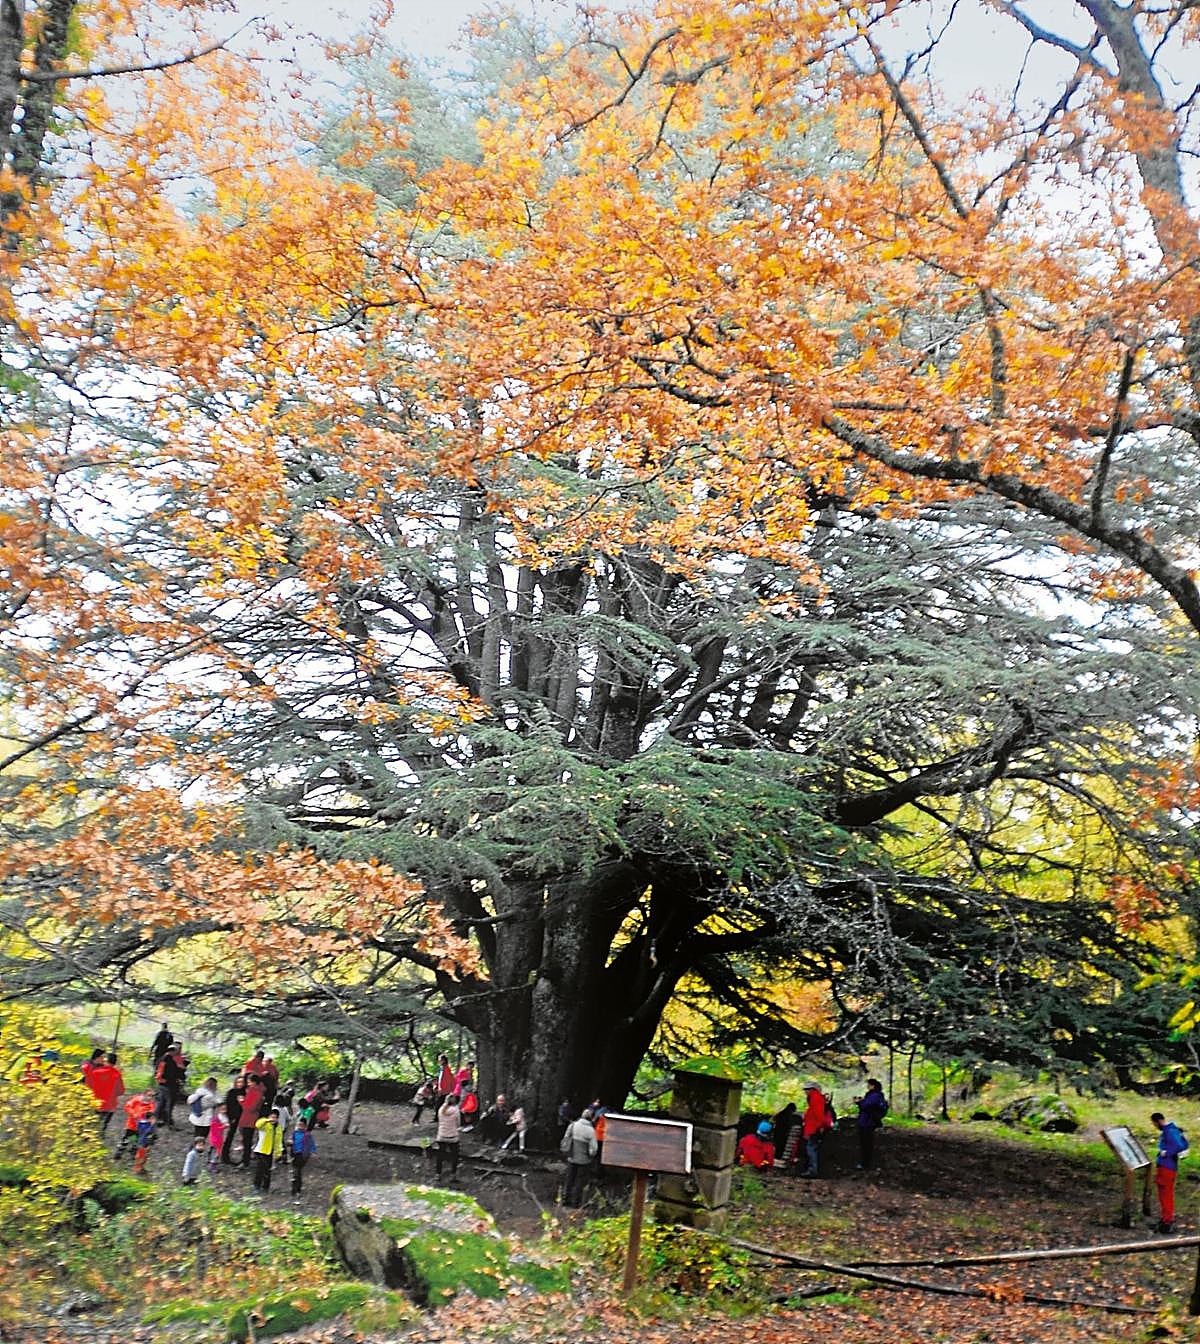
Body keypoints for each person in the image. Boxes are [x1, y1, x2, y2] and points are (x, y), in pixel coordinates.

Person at [1152, 1112, 1189, 1234]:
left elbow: (1179, 1146)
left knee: (1165, 1194)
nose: (1155, 1126)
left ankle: (1167, 1221)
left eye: (1154, 1124)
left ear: (1158, 1121)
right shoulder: (1174, 1129)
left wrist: (1166, 1153)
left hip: (1166, 1167)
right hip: (1170, 1167)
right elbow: (1184, 1143)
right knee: (1166, 1194)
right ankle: (1166, 1218)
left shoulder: (1169, 1131)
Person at [562, 1107, 598, 1207]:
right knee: (579, 1181)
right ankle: (575, 1202)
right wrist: (590, 1155)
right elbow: (593, 1149)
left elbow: (566, 1138)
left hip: (571, 1157)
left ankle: (565, 1200)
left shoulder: (573, 1125)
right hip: (584, 1161)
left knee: (569, 1179)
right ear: (591, 1118)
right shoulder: (591, 1131)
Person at [800, 1081, 833, 1177]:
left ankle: (813, 1170)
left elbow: (818, 1114)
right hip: (814, 1127)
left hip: (814, 1128)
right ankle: (813, 1169)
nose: (805, 1092)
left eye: (807, 1090)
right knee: (812, 1147)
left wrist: (820, 1126)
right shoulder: (816, 1098)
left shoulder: (816, 1098)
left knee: (811, 1148)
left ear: (812, 1090)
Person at [86, 1051, 125, 1134]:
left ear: (106, 1061)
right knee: (103, 1125)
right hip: (110, 1105)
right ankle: (101, 1135)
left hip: (96, 1103)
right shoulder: (117, 1074)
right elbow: (121, 1091)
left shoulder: (95, 1072)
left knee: (92, 1124)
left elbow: (88, 1086)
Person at [855, 1079, 889, 1171]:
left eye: (869, 1085)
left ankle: (865, 1163)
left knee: (866, 1143)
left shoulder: (874, 1095)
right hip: (868, 1122)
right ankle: (866, 1162)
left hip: (867, 1122)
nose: (867, 1086)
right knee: (866, 1143)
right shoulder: (876, 1095)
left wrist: (859, 1102)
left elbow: (866, 1106)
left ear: (873, 1086)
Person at [115, 1088, 156, 1160]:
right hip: (131, 1125)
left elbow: (151, 1114)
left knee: (137, 1140)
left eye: (152, 1096)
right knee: (126, 1139)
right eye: (149, 1095)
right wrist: (134, 1114)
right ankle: (119, 1152)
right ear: (144, 1094)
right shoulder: (136, 1100)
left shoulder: (151, 1105)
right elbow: (127, 1107)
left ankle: (133, 1153)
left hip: (141, 1127)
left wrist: (148, 1117)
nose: (150, 1098)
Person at [251, 1107, 284, 1193]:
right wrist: (267, 1120)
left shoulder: (278, 1127)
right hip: (261, 1150)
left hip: (270, 1151)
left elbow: (278, 1140)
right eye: (272, 1117)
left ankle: (265, 1187)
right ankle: (256, 1186)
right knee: (260, 1169)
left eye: (275, 1117)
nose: (274, 1119)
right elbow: (257, 1124)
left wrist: (278, 1151)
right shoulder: (264, 1124)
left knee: (268, 1170)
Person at [239, 1074, 265, 1166]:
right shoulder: (253, 1091)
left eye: (249, 1082)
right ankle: (247, 1157)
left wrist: (241, 1101)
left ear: (254, 1082)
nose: (248, 1083)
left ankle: (245, 1161)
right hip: (248, 1118)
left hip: (249, 1119)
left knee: (247, 1140)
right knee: (246, 1139)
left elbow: (250, 1107)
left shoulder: (256, 1093)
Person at [435, 1094, 461, 1178]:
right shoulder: (456, 1110)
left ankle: (438, 1174)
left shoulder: (440, 1110)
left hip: (442, 1135)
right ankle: (453, 1173)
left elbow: (440, 1121)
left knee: (440, 1156)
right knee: (455, 1156)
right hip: (453, 1137)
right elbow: (458, 1124)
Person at [222, 1076, 245, 1164]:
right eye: (238, 1082)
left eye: (242, 1082)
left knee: (245, 1136)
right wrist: (231, 1117)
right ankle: (225, 1156)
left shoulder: (246, 1092)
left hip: (243, 1117)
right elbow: (228, 1106)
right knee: (230, 1136)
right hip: (234, 1117)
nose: (240, 1084)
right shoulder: (231, 1092)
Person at [291, 1118, 316, 1199]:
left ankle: (297, 1189)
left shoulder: (307, 1134)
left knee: (297, 1171)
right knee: (296, 1172)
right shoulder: (295, 1133)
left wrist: (312, 1152)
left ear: (305, 1126)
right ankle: (295, 1189)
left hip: (302, 1155)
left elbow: (311, 1144)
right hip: (294, 1154)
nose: (300, 1127)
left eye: (302, 1125)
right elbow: (291, 1141)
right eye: (299, 1125)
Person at [208, 1106, 227, 1173]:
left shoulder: (220, 1118)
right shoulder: (216, 1119)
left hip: (217, 1138)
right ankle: (212, 1166)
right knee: (216, 1153)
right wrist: (224, 1127)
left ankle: (210, 1161)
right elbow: (216, 1129)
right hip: (217, 1139)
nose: (224, 1111)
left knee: (214, 1151)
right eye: (222, 1109)